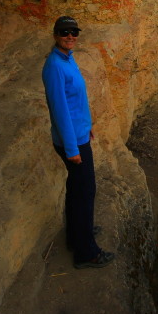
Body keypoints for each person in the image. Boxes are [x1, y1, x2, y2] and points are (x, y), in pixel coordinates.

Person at [42, 16, 115, 269]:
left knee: (77, 189)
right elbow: (60, 111)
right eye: (64, 32)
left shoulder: (67, 59)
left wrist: (88, 126)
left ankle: (77, 235)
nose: (70, 36)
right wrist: (73, 148)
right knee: (85, 192)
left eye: (74, 32)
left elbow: (76, 102)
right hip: (71, 142)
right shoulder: (54, 66)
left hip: (79, 134)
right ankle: (86, 253)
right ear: (55, 35)